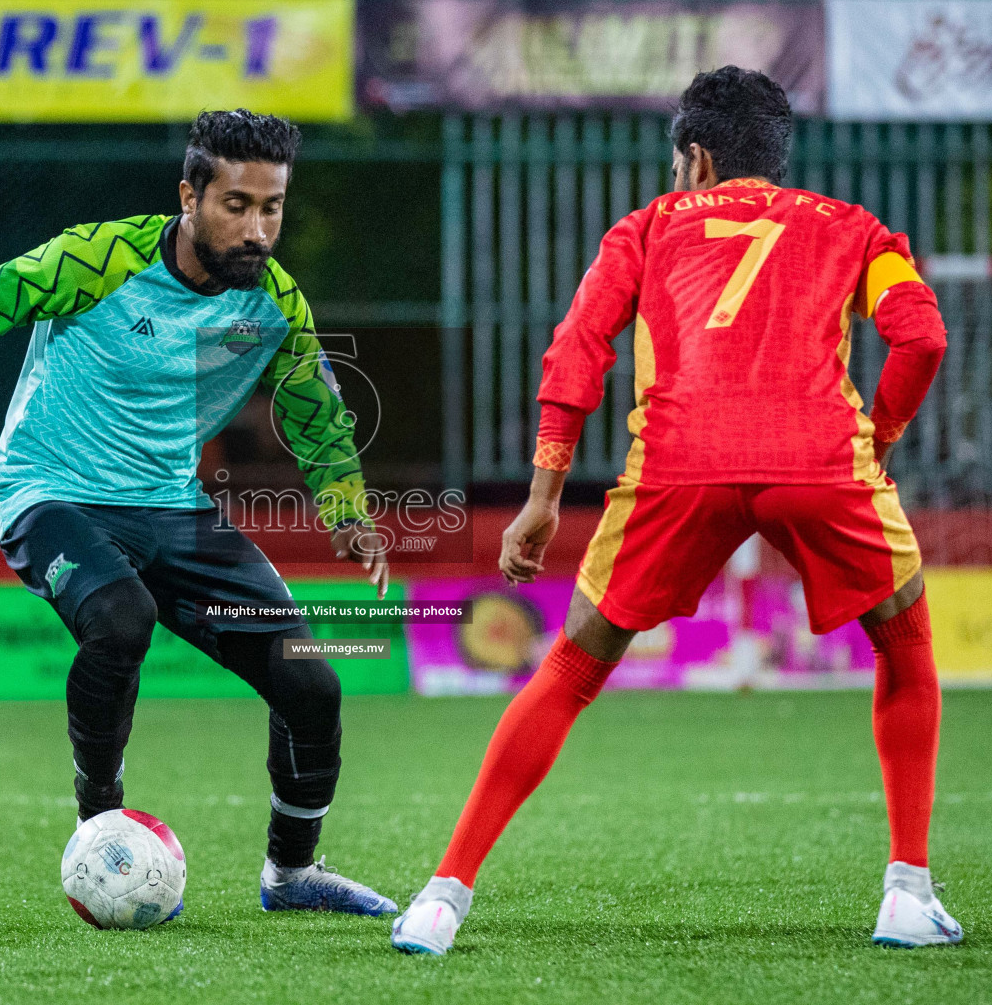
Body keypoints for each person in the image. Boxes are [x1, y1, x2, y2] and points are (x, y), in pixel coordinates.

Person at [0, 109, 398, 916]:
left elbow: (316, 413)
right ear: (189, 196)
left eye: (272, 207)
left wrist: (347, 508)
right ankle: (100, 824)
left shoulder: (272, 304)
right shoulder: (97, 259)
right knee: (121, 618)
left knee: (312, 686)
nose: (257, 228)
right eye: (236, 205)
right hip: (48, 491)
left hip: (172, 509)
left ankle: (293, 874)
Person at [391, 67, 958, 953]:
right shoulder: (857, 232)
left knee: (573, 669)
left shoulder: (646, 227)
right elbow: (922, 336)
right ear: (777, 153)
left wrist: (544, 494)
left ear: (693, 156)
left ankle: (440, 898)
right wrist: (877, 440)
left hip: (678, 466)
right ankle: (908, 894)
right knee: (905, 643)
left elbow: (576, 348)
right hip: (819, 461)